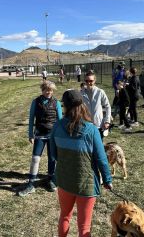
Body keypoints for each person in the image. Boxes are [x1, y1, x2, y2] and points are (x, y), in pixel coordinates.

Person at [50, 89, 113, 237]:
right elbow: (101, 159)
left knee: (64, 216)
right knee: (84, 227)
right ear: (82, 104)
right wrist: (107, 179)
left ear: (64, 106)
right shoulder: (91, 130)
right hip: (86, 184)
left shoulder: (57, 126)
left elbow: (53, 154)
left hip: (65, 181)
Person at [18, 81, 63, 197]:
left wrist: (61, 134)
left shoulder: (56, 103)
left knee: (52, 158)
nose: (49, 92)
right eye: (46, 90)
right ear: (42, 90)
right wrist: (30, 135)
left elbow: (60, 120)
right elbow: (31, 118)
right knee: (35, 158)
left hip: (53, 136)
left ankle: (51, 180)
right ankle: (31, 183)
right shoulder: (35, 102)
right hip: (39, 135)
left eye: (51, 90)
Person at [81, 70, 111, 140]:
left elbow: (107, 106)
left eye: (91, 81)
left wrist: (107, 121)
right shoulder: (81, 93)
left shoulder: (100, 92)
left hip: (99, 125)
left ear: (94, 81)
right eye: (86, 81)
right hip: (86, 125)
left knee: (98, 146)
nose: (88, 83)